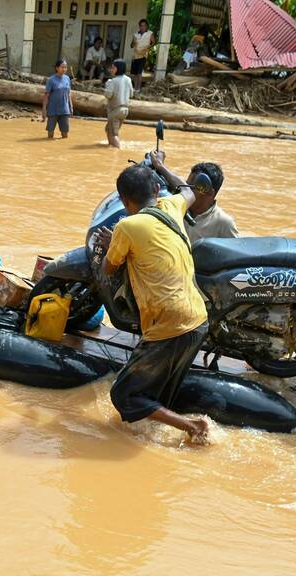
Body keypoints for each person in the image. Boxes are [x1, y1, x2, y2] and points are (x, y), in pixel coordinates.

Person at [92, 154, 210, 443]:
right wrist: (161, 166)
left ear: (123, 200)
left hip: (168, 324)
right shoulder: (171, 206)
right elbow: (188, 191)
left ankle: (193, 426)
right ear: (157, 190)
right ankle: (157, 432)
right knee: (160, 392)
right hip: (197, 319)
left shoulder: (127, 227)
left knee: (123, 394)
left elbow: (108, 268)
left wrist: (111, 244)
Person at [179, 162, 238, 244]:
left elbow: (234, 250)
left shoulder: (224, 223)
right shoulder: (177, 208)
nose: (185, 190)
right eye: (186, 185)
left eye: (191, 187)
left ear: (209, 192)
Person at [104, 59, 131, 148]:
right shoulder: (128, 79)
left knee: (114, 134)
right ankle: (110, 147)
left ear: (118, 68)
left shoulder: (113, 81)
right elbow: (131, 93)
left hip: (115, 110)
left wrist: (107, 85)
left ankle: (117, 151)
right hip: (125, 110)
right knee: (108, 130)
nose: (111, 70)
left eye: (113, 68)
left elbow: (108, 95)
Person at [42, 59, 73, 139]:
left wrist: (71, 106)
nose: (64, 69)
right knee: (50, 134)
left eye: (65, 67)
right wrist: (44, 109)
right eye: (62, 67)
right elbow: (46, 95)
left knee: (65, 135)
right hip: (53, 110)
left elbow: (69, 93)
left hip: (64, 110)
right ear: (57, 68)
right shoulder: (51, 80)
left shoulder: (67, 78)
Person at [130, 20, 155, 90]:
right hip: (135, 55)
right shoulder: (136, 34)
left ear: (146, 26)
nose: (142, 27)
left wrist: (147, 48)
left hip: (143, 55)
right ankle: (135, 88)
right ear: (139, 26)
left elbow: (153, 42)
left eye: (144, 25)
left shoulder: (150, 33)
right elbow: (131, 45)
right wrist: (134, 42)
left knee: (139, 72)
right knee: (135, 73)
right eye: (141, 25)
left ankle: (138, 88)